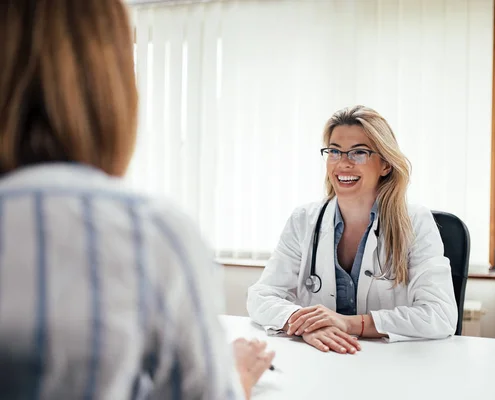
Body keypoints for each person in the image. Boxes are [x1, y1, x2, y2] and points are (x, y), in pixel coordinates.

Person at [0, 1, 273, 399]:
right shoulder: (154, 233)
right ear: (111, 83)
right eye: (334, 151)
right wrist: (237, 379)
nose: (341, 163)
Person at [247, 105, 458, 353]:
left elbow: (439, 315)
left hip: (391, 364)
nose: (343, 163)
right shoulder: (304, 220)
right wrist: (309, 324)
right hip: (321, 360)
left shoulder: (415, 221)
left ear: (385, 165)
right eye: (334, 151)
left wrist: (349, 324)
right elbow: (260, 297)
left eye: (358, 152)